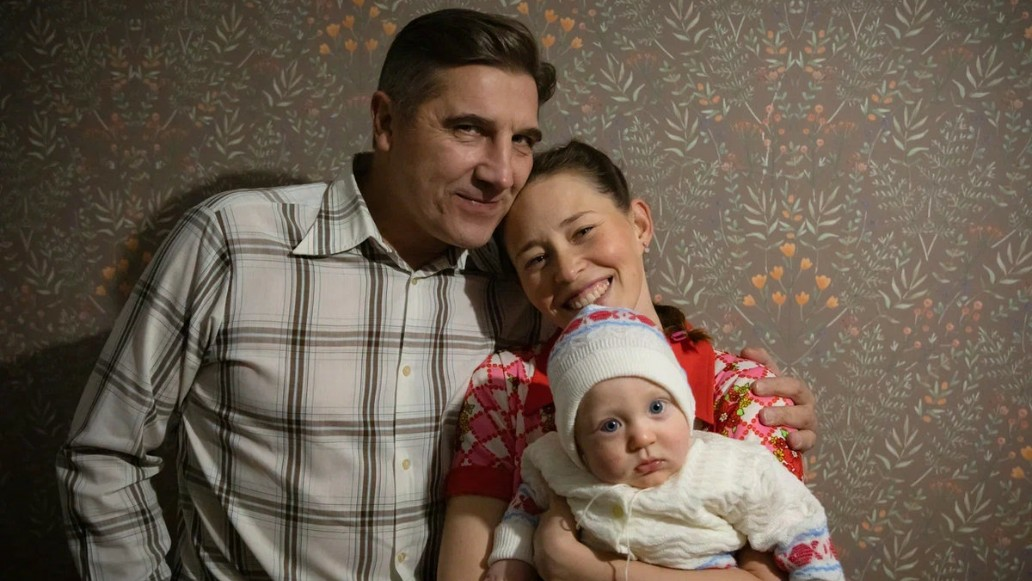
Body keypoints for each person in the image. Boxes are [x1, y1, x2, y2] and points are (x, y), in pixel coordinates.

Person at [56, 9, 557, 580]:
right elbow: (104, 454)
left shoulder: (526, 281)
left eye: (522, 140)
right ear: (386, 122)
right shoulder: (232, 242)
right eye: (468, 129)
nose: (501, 172)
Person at [440, 140, 819, 581]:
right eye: (537, 258)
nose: (567, 270)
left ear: (639, 224)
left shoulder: (744, 391)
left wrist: (585, 568)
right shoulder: (504, 388)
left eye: (583, 231)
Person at [489, 305, 843, 580]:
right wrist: (510, 561)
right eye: (610, 425)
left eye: (657, 408)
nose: (642, 437)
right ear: (576, 444)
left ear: (685, 407)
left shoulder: (730, 466)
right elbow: (525, 506)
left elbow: (796, 520)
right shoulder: (556, 462)